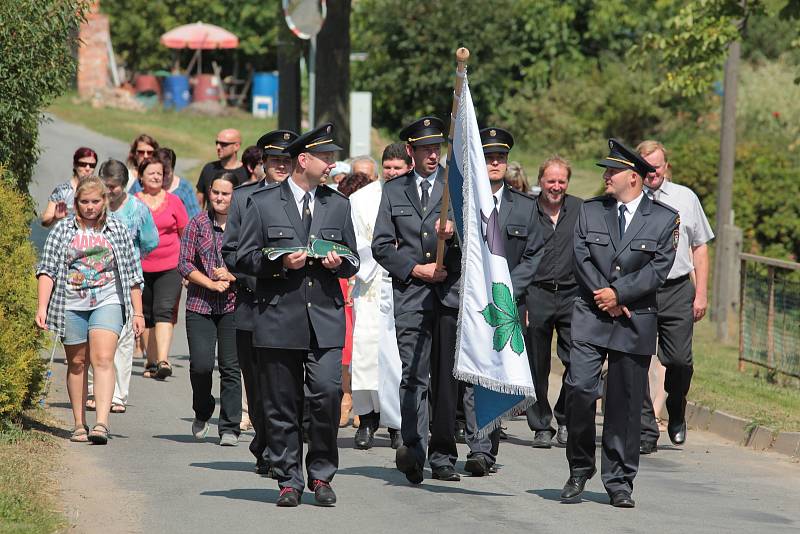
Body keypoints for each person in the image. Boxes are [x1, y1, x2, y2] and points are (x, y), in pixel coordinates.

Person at [236, 123, 359, 507]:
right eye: (326, 157)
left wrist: (339, 264)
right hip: (277, 319)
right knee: (281, 402)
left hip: (324, 318)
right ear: (302, 160)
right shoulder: (264, 202)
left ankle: (321, 474)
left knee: (325, 394)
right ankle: (289, 479)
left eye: (333, 157)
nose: (332, 163)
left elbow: (353, 259)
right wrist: (280, 265)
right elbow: (244, 257)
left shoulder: (337, 204)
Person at [561, 138, 678, 508]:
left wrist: (620, 294)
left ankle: (620, 480)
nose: (606, 176)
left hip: (634, 320)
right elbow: (581, 254)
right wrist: (604, 295)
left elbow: (659, 269)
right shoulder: (591, 210)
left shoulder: (664, 219)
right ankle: (579, 467)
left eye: (612, 171)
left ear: (634, 177)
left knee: (624, 406)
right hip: (591, 314)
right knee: (579, 389)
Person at [372, 116, 462, 484]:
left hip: (449, 294)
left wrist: (453, 236)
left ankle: (443, 454)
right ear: (410, 151)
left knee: (445, 377)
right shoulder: (395, 191)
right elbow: (380, 245)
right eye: (424, 148)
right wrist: (413, 268)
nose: (432, 154)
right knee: (413, 376)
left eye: (436, 148)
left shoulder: (454, 187)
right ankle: (413, 447)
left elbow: (478, 243)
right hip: (411, 294)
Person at [36, 177, 145, 444]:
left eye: (95, 201)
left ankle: (101, 423)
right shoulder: (62, 231)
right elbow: (47, 270)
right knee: (77, 363)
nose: (90, 207)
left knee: (103, 358)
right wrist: (42, 307)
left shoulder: (117, 230)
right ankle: (78, 424)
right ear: (76, 204)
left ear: (104, 202)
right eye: (84, 202)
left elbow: (132, 274)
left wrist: (138, 312)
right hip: (70, 303)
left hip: (108, 300)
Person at [461, 127, 545, 476]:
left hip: (509, 305)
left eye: (501, 158)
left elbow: (535, 252)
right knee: (473, 374)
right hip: (472, 302)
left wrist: (511, 288)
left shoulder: (525, 207)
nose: (495, 163)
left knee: (501, 370)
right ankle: (479, 446)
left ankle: (489, 442)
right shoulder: (464, 200)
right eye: (489, 157)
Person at [222, 128, 297, 475]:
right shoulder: (244, 197)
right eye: (275, 160)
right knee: (257, 382)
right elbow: (232, 250)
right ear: (262, 163)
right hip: (254, 304)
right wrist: (261, 279)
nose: (281, 165)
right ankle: (265, 443)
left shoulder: (304, 199)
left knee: (284, 385)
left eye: (287, 159)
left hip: (295, 305)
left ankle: (279, 448)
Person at [637, 140, 714, 454]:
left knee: (680, 360)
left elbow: (700, 247)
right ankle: (645, 428)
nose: (652, 172)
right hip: (641, 289)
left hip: (678, 287)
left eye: (657, 165)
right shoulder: (631, 198)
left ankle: (677, 407)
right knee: (638, 360)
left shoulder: (685, 197)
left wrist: (702, 293)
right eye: (646, 166)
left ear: (665, 166)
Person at [349, 143, 411, 450]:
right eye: (388, 167)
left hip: (405, 285)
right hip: (372, 285)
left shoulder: (415, 196)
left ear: (408, 168)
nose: (392, 173)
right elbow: (357, 241)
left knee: (396, 360)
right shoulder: (361, 199)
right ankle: (368, 419)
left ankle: (397, 422)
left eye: (398, 168)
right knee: (365, 355)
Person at [86, 160, 158, 414]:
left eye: (114, 187)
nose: (110, 191)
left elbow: (151, 241)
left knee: (125, 339)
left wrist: (133, 257)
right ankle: (95, 390)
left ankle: (118, 394)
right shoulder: (93, 207)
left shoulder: (138, 209)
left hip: (126, 279)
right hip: (95, 279)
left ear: (124, 185)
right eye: (106, 186)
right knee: (96, 336)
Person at [179, 172, 242, 446]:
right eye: (215, 192)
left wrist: (232, 276)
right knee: (202, 366)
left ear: (234, 196)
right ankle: (203, 412)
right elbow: (184, 264)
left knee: (231, 368)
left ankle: (230, 426)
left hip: (233, 306)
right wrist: (210, 283)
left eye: (225, 193)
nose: (219, 197)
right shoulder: (198, 223)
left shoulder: (244, 225)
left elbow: (254, 262)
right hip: (200, 305)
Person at [525, 156, 582, 449]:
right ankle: (540, 424)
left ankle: (565, 417)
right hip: (537, 292)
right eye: (551, 181)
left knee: (578, 361)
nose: (556, 187)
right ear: (540, 181)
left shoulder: (581, 210)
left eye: (561, 181)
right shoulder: (527, 210)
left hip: (574, 294)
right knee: (537, 363)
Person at [135, 158, 188, 380]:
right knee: (147, 315)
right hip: (140, 267)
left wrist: (187, 266)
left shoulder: (175, 201)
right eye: (152, 173)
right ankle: (151, 361)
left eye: (160, 173)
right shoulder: (133, 203)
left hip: (170, 266)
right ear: (141, 177)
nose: (157, 176)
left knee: (164, 310)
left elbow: (185, 234)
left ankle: (163, 360)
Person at [333, 171, 372, 429]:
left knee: (363, 342)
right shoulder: (340, 210)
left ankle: (359, 399)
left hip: (368, 280)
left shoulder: (375, 210)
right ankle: (346, 396)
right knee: (346, 343)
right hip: (343, 277)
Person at [131, 148, 201, 219]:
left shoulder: (184, 188)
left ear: (173, 169)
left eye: (166, 173)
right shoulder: (139, 184)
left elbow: (196, 218)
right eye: (158, 172)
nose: (160, 177)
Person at [41, 147, 98, 227]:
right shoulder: (62, 190)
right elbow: (45, 221)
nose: (87, 168)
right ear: (75, 165)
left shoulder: (98, 191)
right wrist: (55, 218)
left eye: (92, 165)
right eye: (83, 164)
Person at [196, 128, 249, 207]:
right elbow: (198, 202)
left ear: (236, 146)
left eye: (223, 144)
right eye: (217, 143)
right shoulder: (209, 168)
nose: (218, 147)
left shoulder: (247, 172)